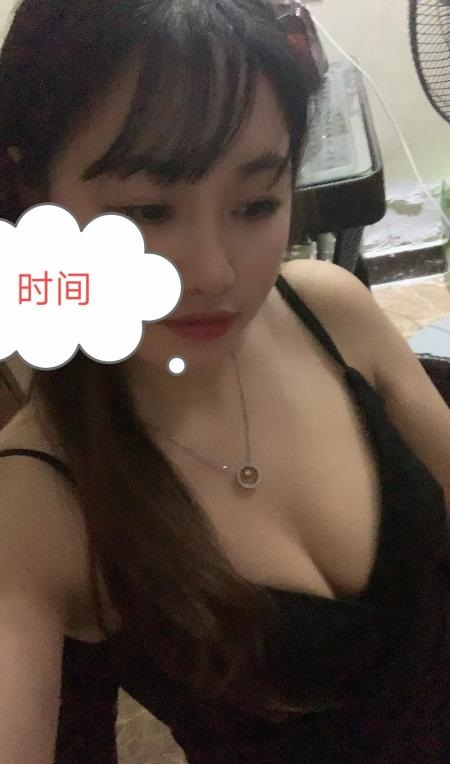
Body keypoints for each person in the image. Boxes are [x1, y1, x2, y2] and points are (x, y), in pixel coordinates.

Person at [0, 2, 449, 762]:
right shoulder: (37, 500)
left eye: (255, 204)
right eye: (147, 211)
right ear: (35, 187)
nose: (213, 272)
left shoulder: (330, 309)